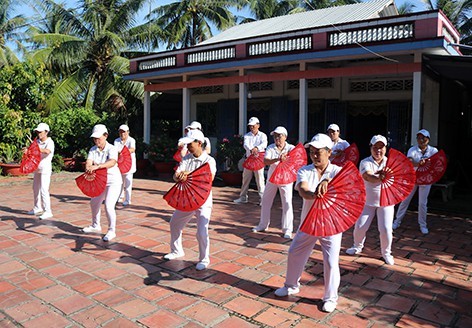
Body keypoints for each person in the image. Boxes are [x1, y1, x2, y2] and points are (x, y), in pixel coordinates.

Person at [275, 133, 342, 313]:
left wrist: (327, 181)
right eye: (311, 151)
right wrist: (314, 194)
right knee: (294, 251)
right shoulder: (304, 170)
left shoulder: (338, 171)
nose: (314, 155)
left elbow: (345, 185)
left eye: (318, 152)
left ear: (329, 152)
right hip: (309, 222)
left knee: (330, 261)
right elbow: (303, 190)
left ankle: (330, 297)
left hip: (331, 224)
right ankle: (290, 285)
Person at [164, 129, 217, 271]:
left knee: (201, 231)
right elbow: (176, 175)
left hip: (203, 200)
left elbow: (208, 179)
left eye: (190, 144)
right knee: (174, 223)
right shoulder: (187, 158)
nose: (187, 147)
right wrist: (178, 176)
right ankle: (176, 250)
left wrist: (187, 174)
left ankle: (204, 259)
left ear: (199, 143)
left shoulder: (209, 161)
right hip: (187, 198)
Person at [345, 135, 395, 265]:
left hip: (386, 201)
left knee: (385, 229)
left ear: (385, 149)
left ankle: (386, 253)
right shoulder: (365, 162)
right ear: (370, 148)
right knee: (360, 226)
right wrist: (380, 177)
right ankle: (357, 246)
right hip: (368, 201)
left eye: (381, 148)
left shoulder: (391, 163)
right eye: (375, 147)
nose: (378, 150)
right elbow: (367, 176)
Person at [393, 129, 438, 234]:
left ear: (428, 139)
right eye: (419, 138)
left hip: (426, 179)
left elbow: (436, 164)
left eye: (423, 138)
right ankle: (397, 221)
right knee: (405, 200)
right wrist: (419, 164)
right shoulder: (412, 150)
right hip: (412, 178)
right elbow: (410, 162)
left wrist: (427, 163)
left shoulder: (433, 151)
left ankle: (423, 225)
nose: (421, 140)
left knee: (422, 203)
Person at [252, 126, 295, 238]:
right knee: (266, 201)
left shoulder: (291, 148)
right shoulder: (271, 148)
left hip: (286, 179)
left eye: (279, 136)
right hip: (272, 179)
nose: (277, 138)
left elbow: (296, 160)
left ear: (285, 137)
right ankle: (263, 225)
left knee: (286, 203)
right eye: (275, 136)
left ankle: (287, 229)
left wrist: (287, 158)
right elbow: (265, 161)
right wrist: (277, 159)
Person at [83, 124, 123, 242]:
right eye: (94, 138)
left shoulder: (112, 148)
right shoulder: (93, 150)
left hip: (113, 181)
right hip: (99, 181)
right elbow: (88, 162)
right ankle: (96, 225)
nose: (96, 141)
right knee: (94, 202)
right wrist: (89, 167)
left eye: (98, 138)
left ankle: (112, 230)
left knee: (109, 206)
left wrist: (98, 167)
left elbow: (112, 162)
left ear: (105, 136)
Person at [234, 117, 268, 204]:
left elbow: (264, 144)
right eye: (250, 126)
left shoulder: (263, 135)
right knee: (245, 179)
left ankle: (262, 199)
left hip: (259, 161)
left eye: (253, 125)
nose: (251, 127)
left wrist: (257, 148)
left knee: (260, 180)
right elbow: (246, 145)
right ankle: (243, 197)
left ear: (258, 125)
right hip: (249, 160)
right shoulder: (247, 135)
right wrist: (252, 149)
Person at [27, 123, 55, 220]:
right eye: (37, 132)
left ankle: (48, 211)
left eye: (40, 132)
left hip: (45, 169)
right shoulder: (36, 141)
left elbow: (47, 151)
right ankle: (37, 207)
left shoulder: (50, 142)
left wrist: (35, 148)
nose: (38, 133)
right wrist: (28, 151)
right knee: (35, 188)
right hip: (37, 168)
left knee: (44, 189)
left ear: (46, 132)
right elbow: (33, 153)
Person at [113, 124, 136, 206]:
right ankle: (119, 197)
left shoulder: (132, 140)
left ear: (128, 132)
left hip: (129, 165)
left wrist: (123, 152)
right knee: (120, 182)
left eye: (124, 132)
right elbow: (115, 151)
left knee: (128, 183)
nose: (122, 134)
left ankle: (127, 200)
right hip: (120, 165)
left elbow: (132, 149)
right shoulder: (116, 141)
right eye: (120, 132)